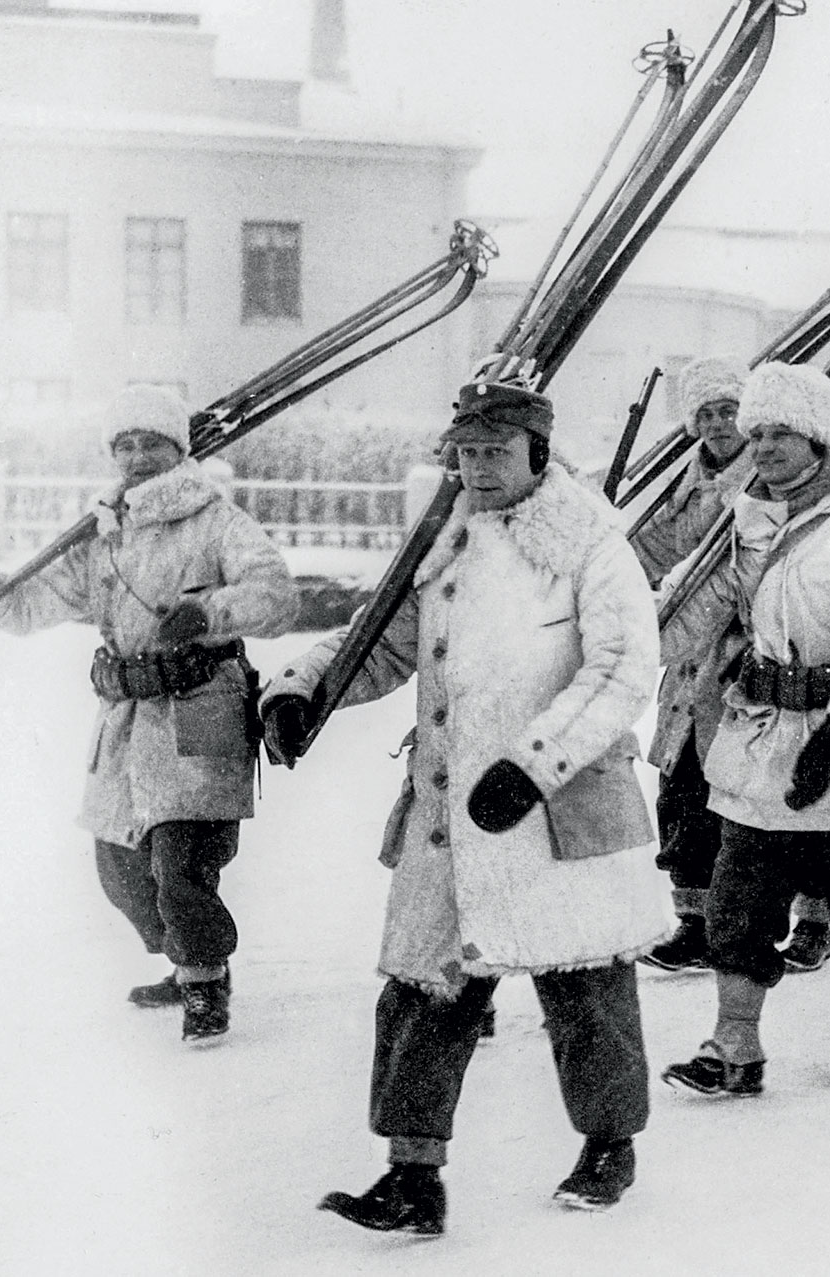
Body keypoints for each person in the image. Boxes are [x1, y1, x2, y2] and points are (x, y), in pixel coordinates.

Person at [261, 379, 670, 1232]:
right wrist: (309, 688)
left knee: (586, 984)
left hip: (557, 804)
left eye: (495, 451)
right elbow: (384, 641)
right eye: (466, 452)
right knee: (422, 988)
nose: (477, 467)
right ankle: (413, 1175)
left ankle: (608, 1146)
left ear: (537, 452)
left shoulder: (590, 542)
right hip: (451, 810)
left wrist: (537, 763)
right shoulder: (445, 542)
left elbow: (624, 666)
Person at [0, 385, 297, 1043]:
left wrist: (210, 613)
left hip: (201, 707)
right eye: (125, 445)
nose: (138, 456)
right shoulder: (104, 532)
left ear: (178, 451)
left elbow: (276, 593)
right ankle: (189, 958)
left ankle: (205, 983)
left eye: (152, 443)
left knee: (180, 859)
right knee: (118, 863)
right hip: (128, 714)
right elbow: (41, 595)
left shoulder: (215, 520)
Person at [658, 361, 830, 1097]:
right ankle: (735, 1043)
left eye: (783, 431)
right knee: (738, 888)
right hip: (760, 736)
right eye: (758, 432)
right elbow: (688, 611)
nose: (767, 446)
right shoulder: (744, 523)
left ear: (818, 437)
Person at [631, 356, 754, 973]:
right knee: (681, 787)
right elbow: (645, 549)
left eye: (729, 410)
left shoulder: (765, 482)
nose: (719, 424)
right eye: (706, 413)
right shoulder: (681, 484)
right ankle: (694, 920)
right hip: (684, 657)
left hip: (741, 657)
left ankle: (756, 922)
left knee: (740, 792)